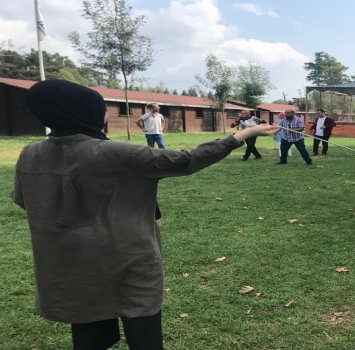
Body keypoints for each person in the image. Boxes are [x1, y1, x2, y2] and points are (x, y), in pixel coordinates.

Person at [11, 79, 279, 350]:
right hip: (125, 256)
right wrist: (243, 135)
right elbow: (187, 160)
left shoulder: (31, 153)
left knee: (88, 322)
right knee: (141, 321)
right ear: (84, 112)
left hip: (67, 260)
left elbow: (25, 200)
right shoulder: (114, 152)